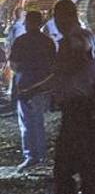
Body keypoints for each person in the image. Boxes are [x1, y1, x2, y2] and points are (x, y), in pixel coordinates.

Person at [23, 0, 95, 194]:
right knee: (84, 171)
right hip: (84, 112)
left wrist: (37, 87)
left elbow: (70, 66)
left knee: (68, 173)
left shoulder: (78, 38)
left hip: (82, 112)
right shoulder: (82, 38)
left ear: (62, 17)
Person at [9, 11, 55, 171]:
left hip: (25, 86)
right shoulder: (48, 42)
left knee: (27, 123)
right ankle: (41, 155)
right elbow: (53, 66)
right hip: (43, 87)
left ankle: (31, 156)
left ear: (27, 23)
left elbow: (13, 64)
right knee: (39, 122)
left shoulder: (21, 41)